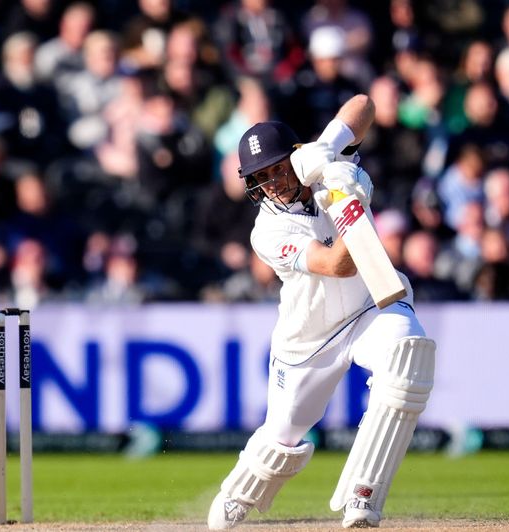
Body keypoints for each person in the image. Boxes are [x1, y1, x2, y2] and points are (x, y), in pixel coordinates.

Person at [207, 95, 437, 529]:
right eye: (261, 176)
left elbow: (365, 104)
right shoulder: (267, 232)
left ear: (296, 158)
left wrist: (330, 146)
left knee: (409, 358)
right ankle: (239, 493)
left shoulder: (323, 162)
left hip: (372, 306)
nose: (272, 182)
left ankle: (362, 497)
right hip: (310, 338)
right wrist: (353, 201)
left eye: (277, 168)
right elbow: (337, 264)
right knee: (282, 437)